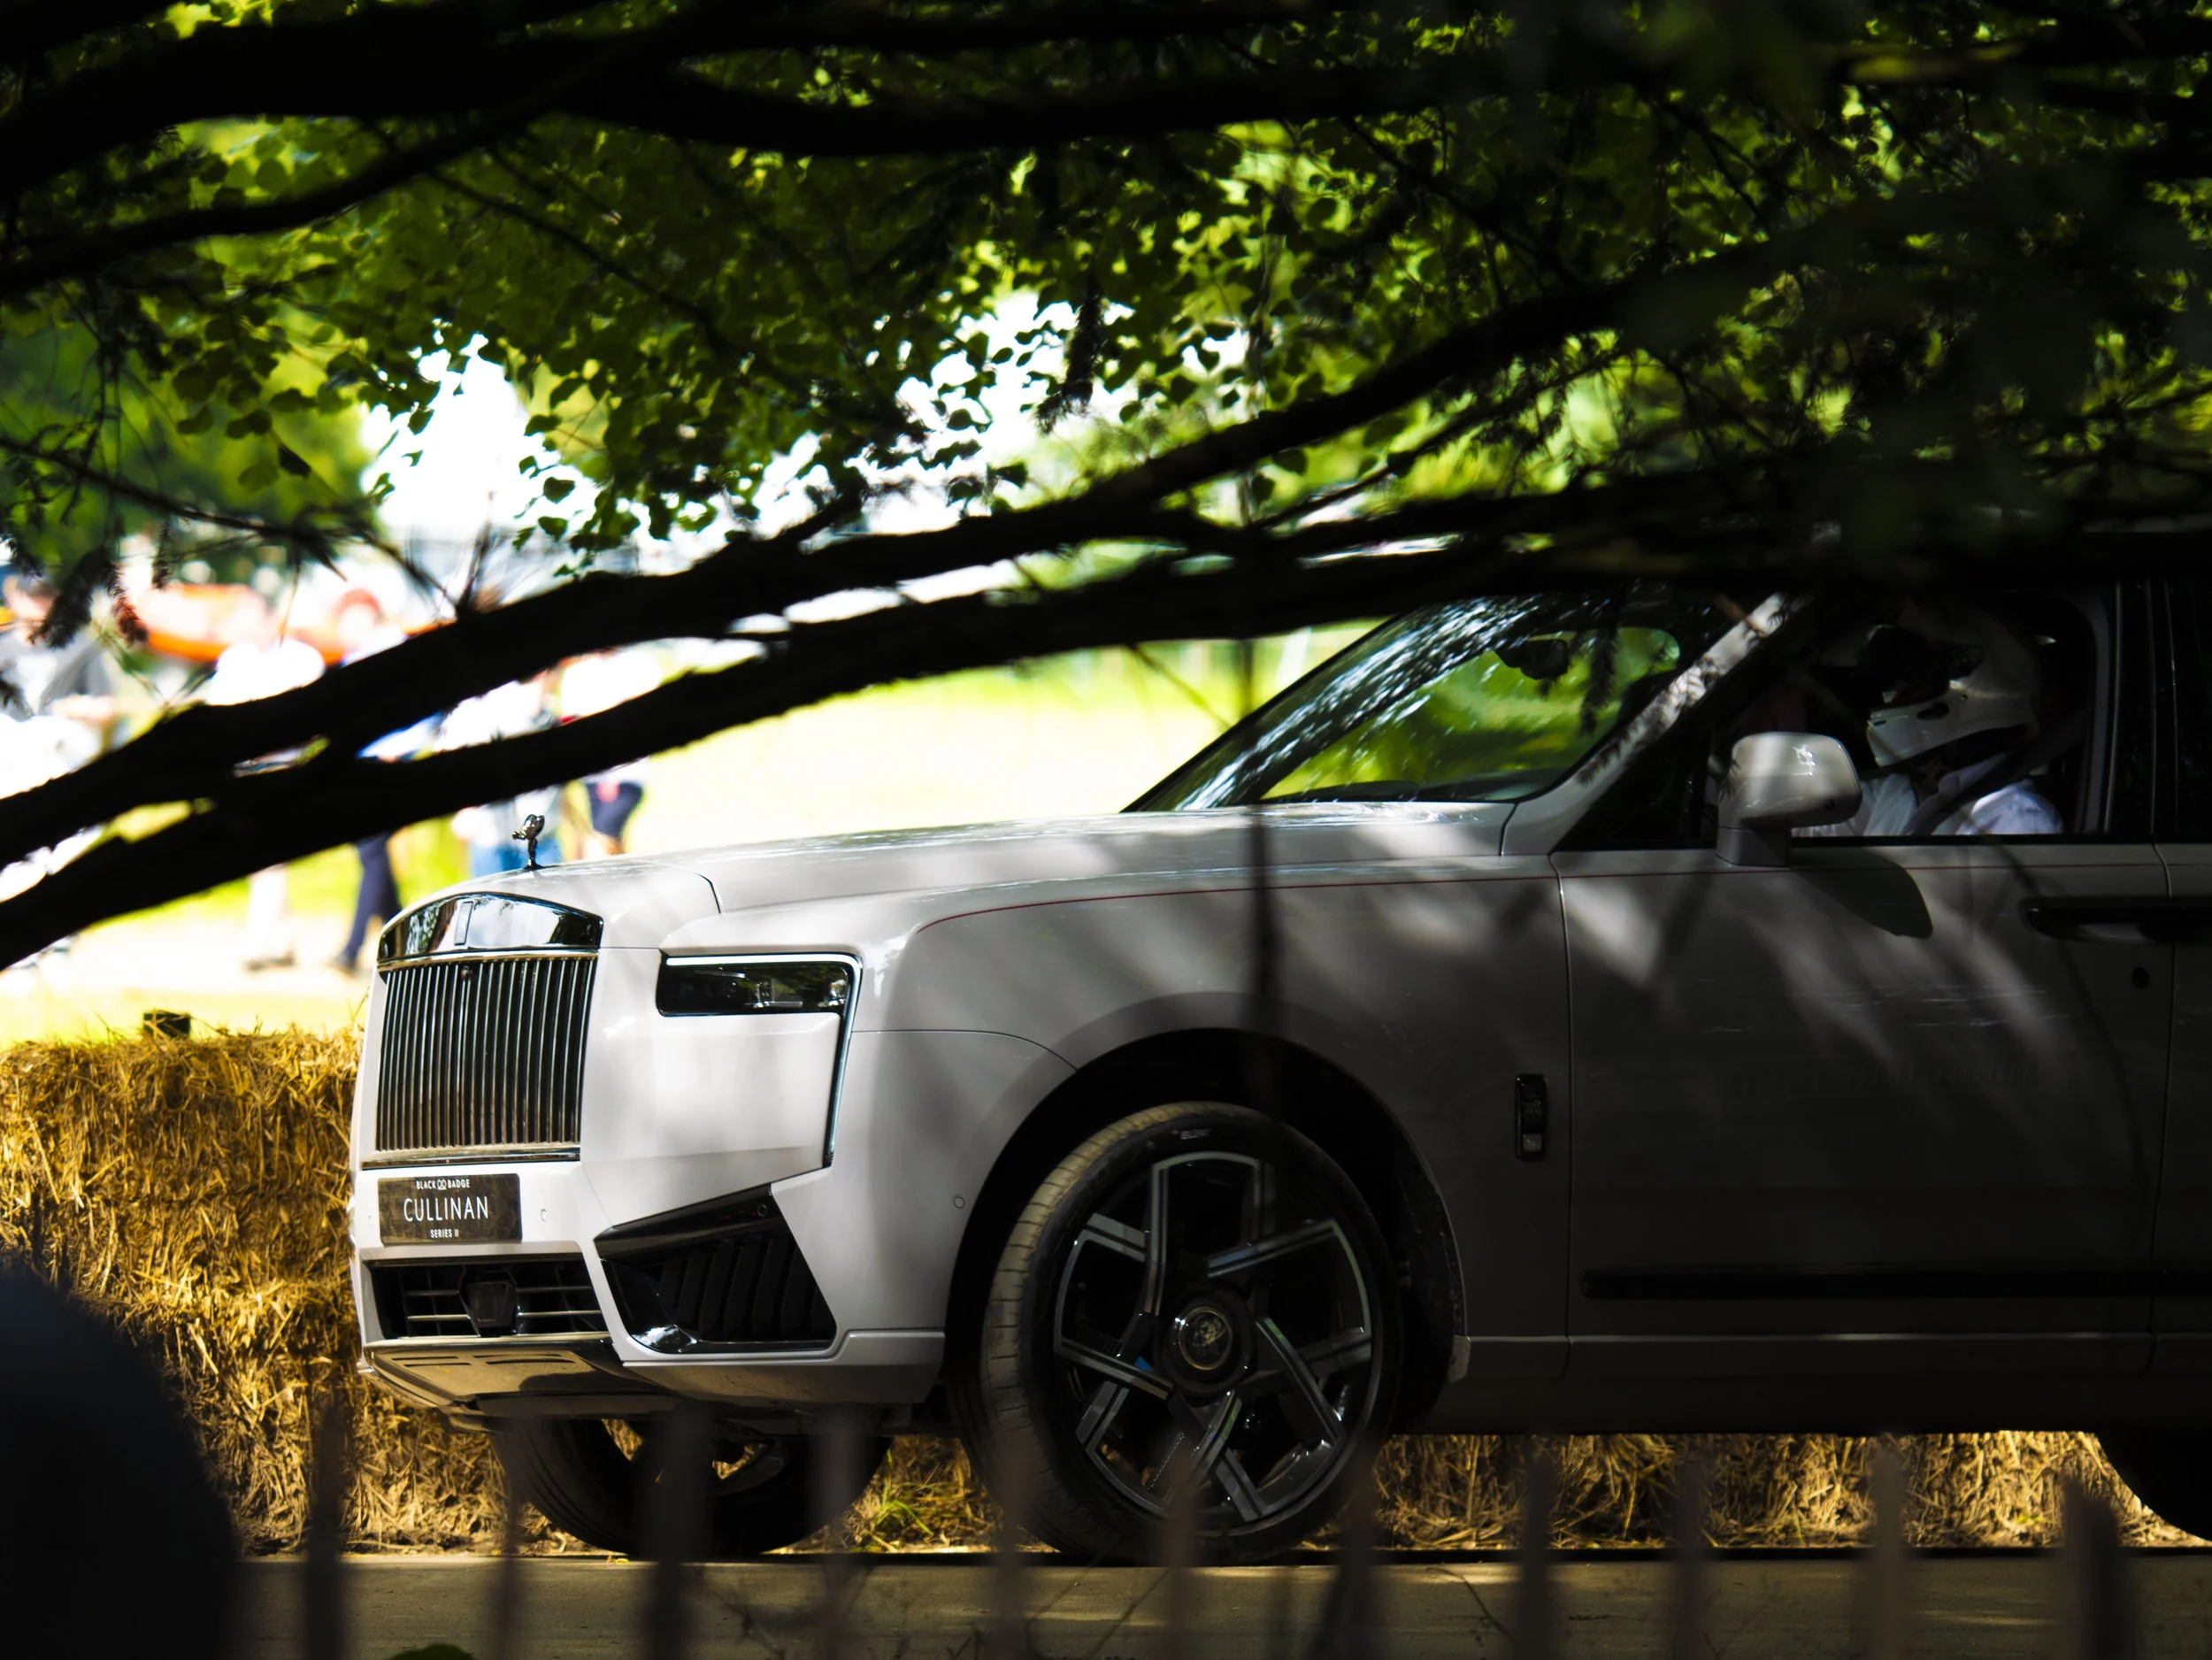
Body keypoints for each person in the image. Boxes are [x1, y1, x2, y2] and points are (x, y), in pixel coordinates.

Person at [1818, 606, 2063, 838]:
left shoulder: (2013, 818)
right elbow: (1814, 824)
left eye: (1912, 690)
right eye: (1895, 691)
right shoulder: (1896, 791)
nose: (1894, 703)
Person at [203, 590, 325, 970]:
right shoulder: (233, 660)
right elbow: (219, 712)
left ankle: (257, 946)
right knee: (264, 855)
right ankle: (284, 940)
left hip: (285, 766)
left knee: (270, 855)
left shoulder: (303, 660)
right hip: (243, 768)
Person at [327, 589, 433, 974]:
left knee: (371, 851)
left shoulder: (397, 653)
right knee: (374, 855)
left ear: (367, 615)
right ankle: (409, 940)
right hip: (362, 764)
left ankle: (352, 949)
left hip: (391, 762)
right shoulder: (354, 660)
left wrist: (400, 749)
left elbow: (427, 709)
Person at [440, 672, 564, 877]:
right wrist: (465, 808)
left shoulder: (547, 711)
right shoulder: (478, 710)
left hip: (539, 835)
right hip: (492, 835)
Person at [558, 649, 662, 857]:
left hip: (628, 773)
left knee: (602, 836)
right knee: (610, 841)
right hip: (593, 774)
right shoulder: (576, 673)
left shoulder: (640, 664)